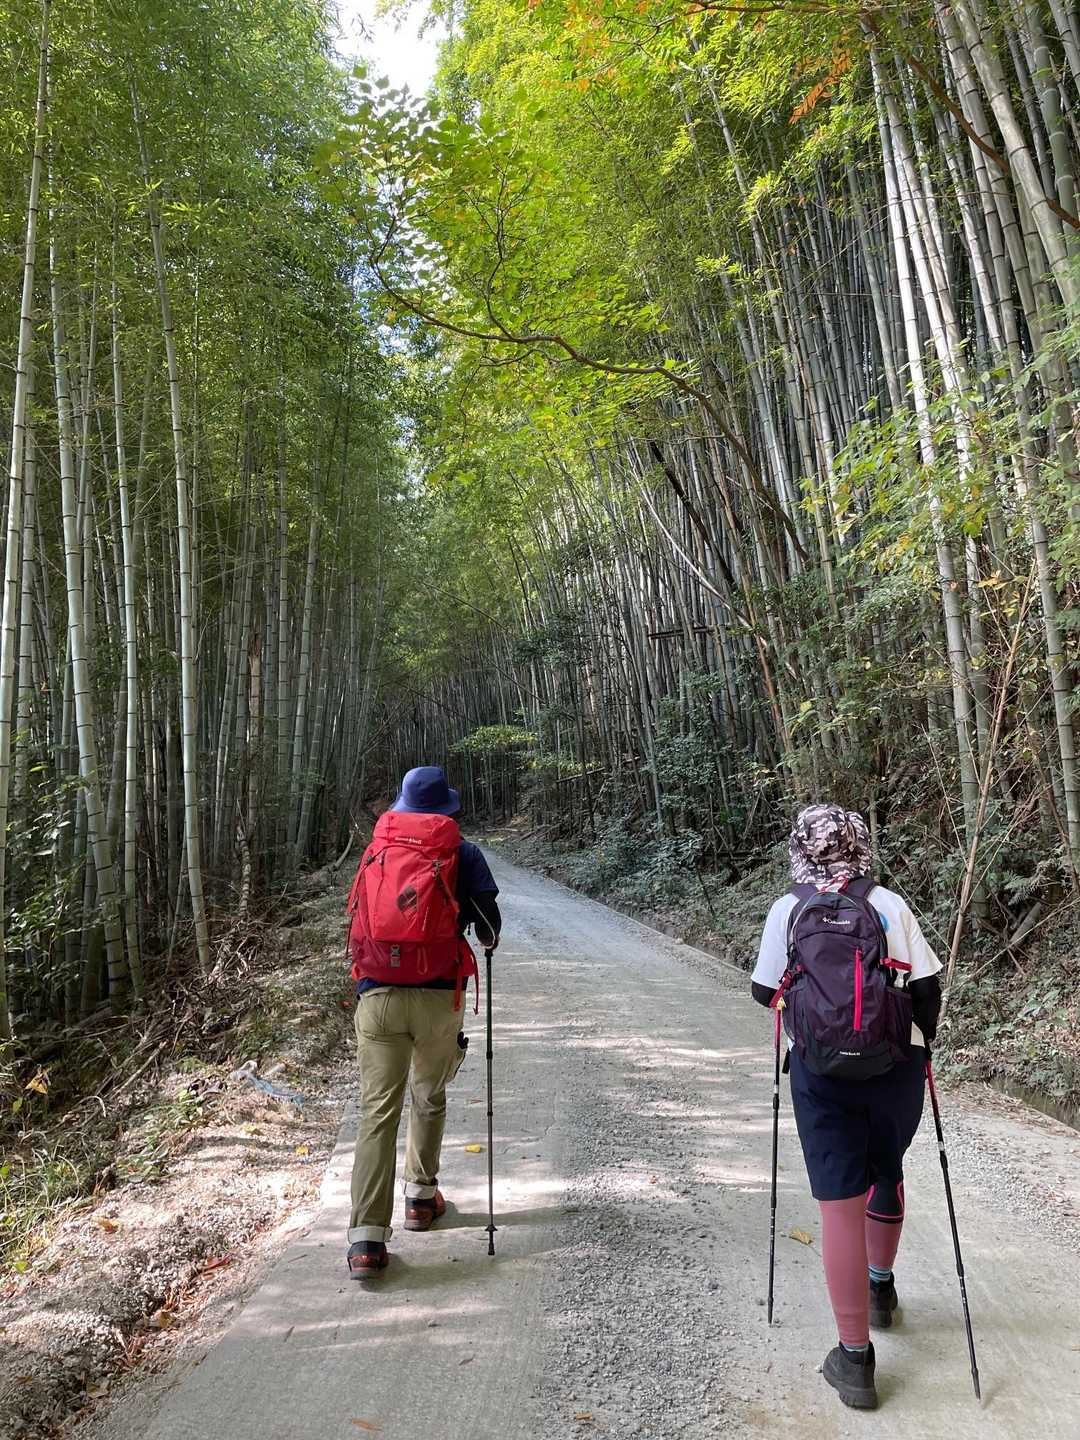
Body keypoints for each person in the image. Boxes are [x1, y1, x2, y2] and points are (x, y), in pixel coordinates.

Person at [751, 803, 942, 1410]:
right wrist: (915, 1044)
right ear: (860, 846)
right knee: (887, 1169)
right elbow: (927, 992)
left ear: (800, 850)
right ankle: (881, 1288)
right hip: (895, 1068)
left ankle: (855, 1359)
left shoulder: (789, 909)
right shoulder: (888, 905)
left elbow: (763, 991)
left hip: (819, 1074)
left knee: (839, 1206)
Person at [345, 766, 501, 1278]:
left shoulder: (378, 849)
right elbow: (490, 928)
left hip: (378, 996)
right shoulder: (463, 853)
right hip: (438, 998)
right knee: (429, 1095)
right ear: (447, 809)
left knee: (377, 1114)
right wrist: (478, 932)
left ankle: (366, 1241)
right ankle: (419, 1197)